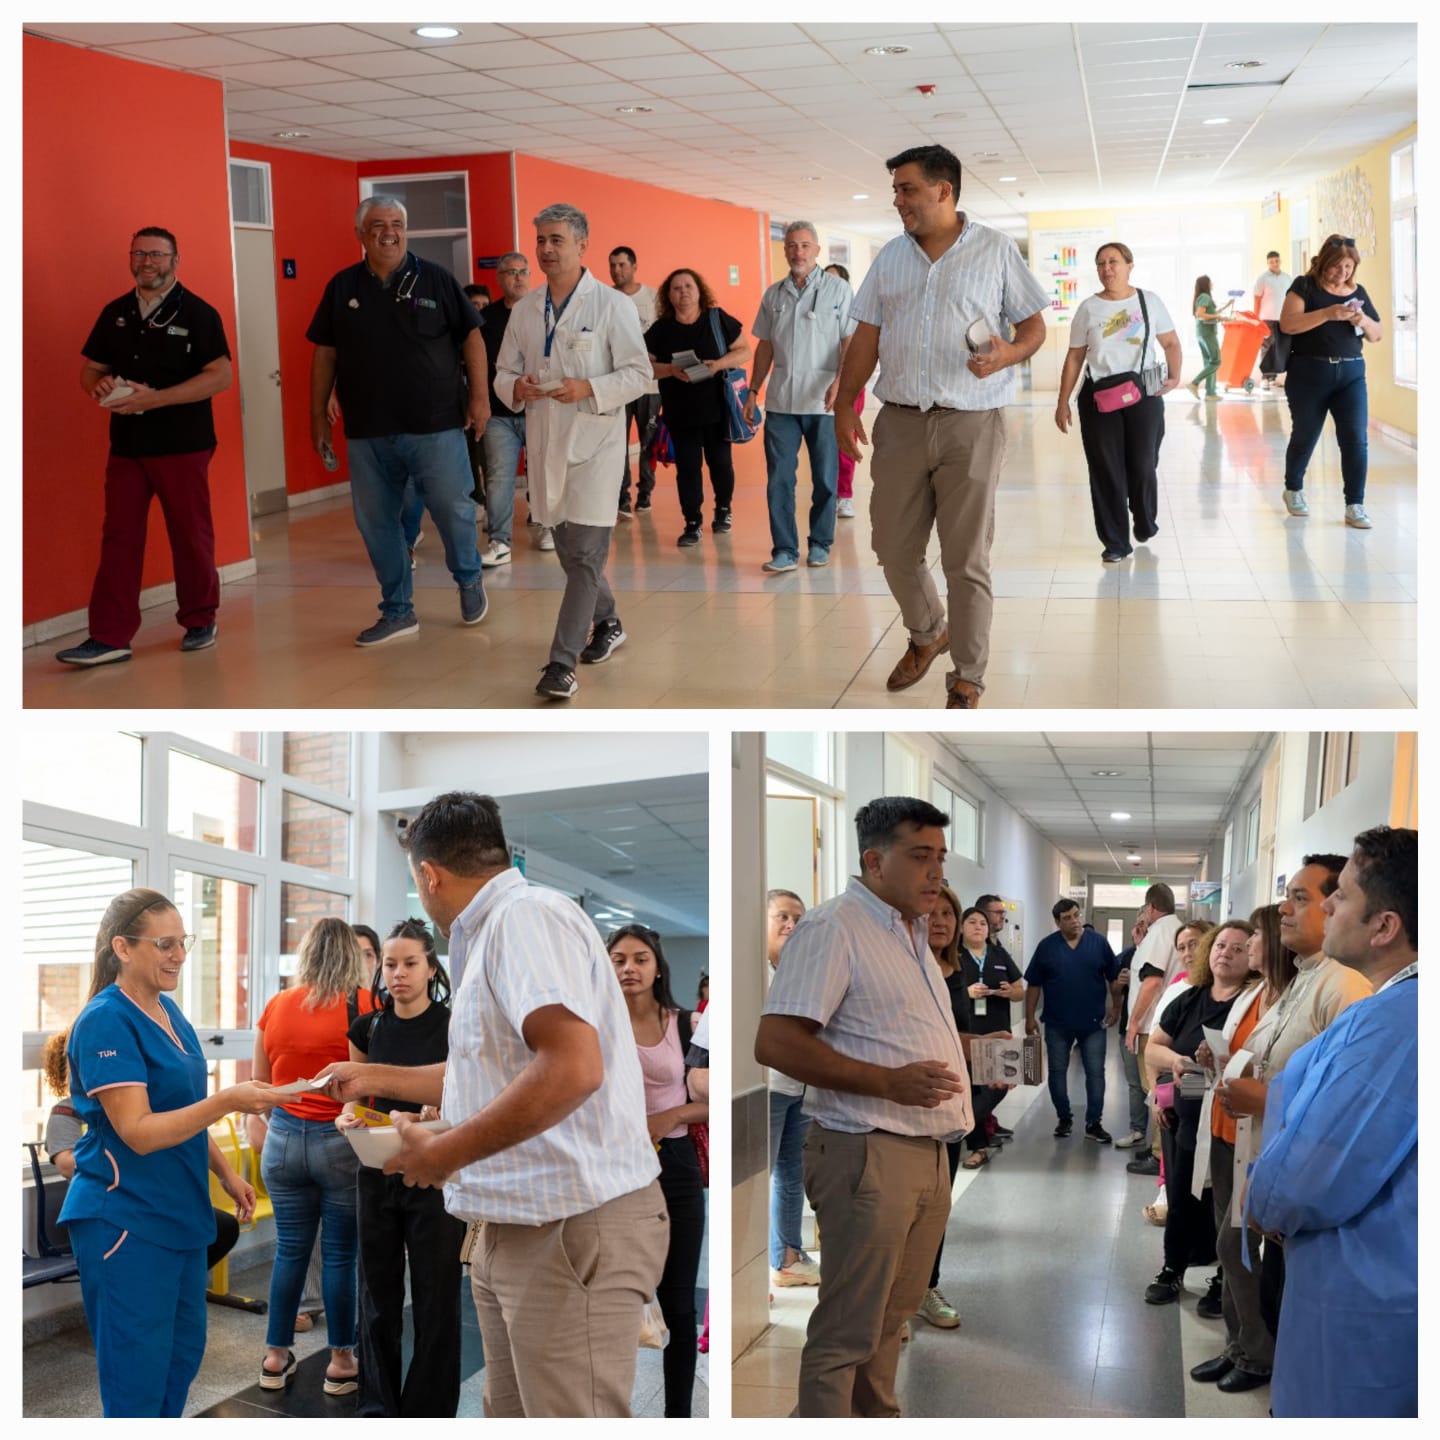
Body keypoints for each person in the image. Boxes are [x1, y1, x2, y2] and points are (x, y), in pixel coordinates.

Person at [318, 791, 667, 1418]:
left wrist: (444, 1152)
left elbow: (573, 1067)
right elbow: (483, 1073)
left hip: (568, 1225)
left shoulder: (524, 919)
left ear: (429, 875)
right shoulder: (490, 932)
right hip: (510, 1224)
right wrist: (371, 1076)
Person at [756, 797, 971, 1418]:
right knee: (847, 1331)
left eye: (941, 857)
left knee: (889, 1321)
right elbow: (776, 1042)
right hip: (868, 1150)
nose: (936, 873)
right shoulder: (835, 928)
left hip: (926, 1152)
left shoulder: (910, 934)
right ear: (875, 862)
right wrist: (886, 1083)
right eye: (920, 856)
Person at [835, 144, 1049, 709]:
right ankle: (929, 632)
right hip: (900, 423)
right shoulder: (890, 257)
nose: (898, 201)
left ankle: (968, 677)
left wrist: (1009, 353)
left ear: (943, 190)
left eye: (907, 189)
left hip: (971, 423)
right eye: (895, 191)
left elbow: (1033, 327)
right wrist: (845, 403)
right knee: (891, 546)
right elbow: (867, 335)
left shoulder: (995, 249)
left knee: (965, 560)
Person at [56, 888, 272, 1417]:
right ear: (123, 948)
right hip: (124, 1217)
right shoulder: (106, 1020)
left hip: (178, 1213)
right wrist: (229, 1101)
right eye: (165, 944)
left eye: (182, 942)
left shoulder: (168, 1012)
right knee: (137, 1379)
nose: (179, 955)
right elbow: (139, 1131)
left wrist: (225, 1172)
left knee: (180, 1358)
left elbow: (184, 1109)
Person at [1246, 826, 1417, 1418]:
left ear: (1384, 926)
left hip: (1367, 1298)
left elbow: (1311, 1174)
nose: (1325, 908)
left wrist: (1263, 1199)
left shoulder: (1394, 1024)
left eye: (1339, 895)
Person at [307, 196, 489, 647]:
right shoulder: (342, 286)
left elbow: (471, 337)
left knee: (452, 509)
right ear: (360, 234)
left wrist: (480, 398)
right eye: (377, 225)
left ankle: (468, 577)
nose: (388, 232)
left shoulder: (436, 279)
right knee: (376, 523)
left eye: (396, 224)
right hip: (368, 429)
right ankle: (397, 610)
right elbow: (325, 352)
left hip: (436, 424)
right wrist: (318, 415)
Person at [1210, 855, 1372, 1346]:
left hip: (1301, 1158)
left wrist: (1264, 1099)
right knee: (1242, 1253)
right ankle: (1247, 1348)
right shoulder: (1307, 976)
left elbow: (1347, 1101)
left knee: (1266, 1268)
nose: (1284, 909)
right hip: (1270, 1149)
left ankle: (1256, 1353)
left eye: (1300, 898)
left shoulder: (1346, 985)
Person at [494, 204, 652, 700]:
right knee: (570, 552)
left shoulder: (611, 305)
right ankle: (609, 620)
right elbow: (503, 371)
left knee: (583, 555)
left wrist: (589, 387)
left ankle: (561, 663)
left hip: (596, 444)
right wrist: (515, 387)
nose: (546, 249)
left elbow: (639, 374)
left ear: (582, 245)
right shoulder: (525, 309)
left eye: (556, 240)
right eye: (541, 239)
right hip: (546, 441)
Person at [58, 227, 233, 668]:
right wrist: (97, 385)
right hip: (127, 447)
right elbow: (90, 370)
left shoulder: (198, 313)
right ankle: (109, 636)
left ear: (175, 260)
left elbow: (220, 376)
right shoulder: (115, 312)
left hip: (182, 444)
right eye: (139, 254)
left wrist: (155, 399)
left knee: (189, 534)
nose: (147, 262)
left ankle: (200, 620)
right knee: (119, 538)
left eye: (156, 254)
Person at [338, 919, 465, 1417]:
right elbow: (357, 1097)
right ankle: (377, 1408)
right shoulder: (368, 1027)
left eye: (410, 963)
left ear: (431, 968)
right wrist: (347, 1117)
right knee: (376, 1297)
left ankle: (429, 1412)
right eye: (390, 964)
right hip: (377, 1171)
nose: (398, 973)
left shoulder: (454, 1027)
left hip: (435, 1173)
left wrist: (433, 1115)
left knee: (436, 1299)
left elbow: (466, 1100)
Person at [254, 917, 373, 1396]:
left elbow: (262, 1085)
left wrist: (276, 1122)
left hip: (282, 1139)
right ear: (351, 955)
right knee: (341, 1255)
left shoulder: (277, 1004)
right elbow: (372, 1082)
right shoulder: (364, 1004)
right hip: (338, 1140)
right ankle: (341, 1361)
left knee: (290, 1250)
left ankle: (274, 1357)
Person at [1188, 904, 1297, 1394]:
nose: (1246, 945)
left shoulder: (1294, 996)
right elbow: (1239, 1054)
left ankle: (1256, 1352)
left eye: (1253, 938)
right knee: (1230, 1249)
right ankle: (1237, 1345)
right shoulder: (1256, 993)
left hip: (1258, 1137)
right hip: (1224, 1128)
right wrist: (1213, 1055)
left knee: (1236, 1248)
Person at [42, 1028, 242, 1287]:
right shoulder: (66, 1112)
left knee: (218, 1228)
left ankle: (172, 1283)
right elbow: (67, 1165)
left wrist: (227, 1175)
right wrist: (126, 1147)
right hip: (112, 1206)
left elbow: (192, 1133)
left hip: (156, 1196)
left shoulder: (141, 1100)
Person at [608, 925, 708, 1417]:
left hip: (675, 1162)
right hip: (615, 1167)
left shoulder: (686, 1024)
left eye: (640, 959)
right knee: (615, 1299)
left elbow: (710, 1099)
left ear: (657, 967)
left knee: (679, 1301)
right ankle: (611, 1409)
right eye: (619, 959)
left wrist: (669, 1117)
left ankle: (679, 1416)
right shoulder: (594, 1026)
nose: (629, 968)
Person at [1141, 922, 1256, 1308]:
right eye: (1220, 945)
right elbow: (1153, 1048)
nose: (1226, 953)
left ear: (1253, 956)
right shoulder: (1190, 998)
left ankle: (1223, 1277)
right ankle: (1172, 1268)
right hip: (1188, 1107)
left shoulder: (1254, 1003)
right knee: (1181, 1193)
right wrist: (1177, 1061)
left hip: (1230, 1113)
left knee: (1223, 1198)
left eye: (1238, 948)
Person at [1055, 243, 1183, 563]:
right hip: (1099, 397)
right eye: (1100, 263)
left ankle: (1144, 516)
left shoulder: (1149, 301)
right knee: (1106, 470)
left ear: (1129, 266)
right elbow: (1075, 357)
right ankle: (1115, 543)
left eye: (1113, 262)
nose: (1106, 269)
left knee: (1143, 464)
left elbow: (1170, 342)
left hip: (1143, 393)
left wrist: (1175, 376)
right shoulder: (1088, 308)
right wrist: (1062, 401)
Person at [748, 221, 853, 572]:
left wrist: (840, 382)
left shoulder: (838, 290)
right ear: (785, 251)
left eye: (805, 245)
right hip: (781, 402)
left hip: (823, 400)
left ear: (817, 250)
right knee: (779, 479)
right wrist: (753, 390)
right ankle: (785, 550)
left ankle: (820, 543)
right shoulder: (773, 295)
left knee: (824, 478)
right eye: (792, 245)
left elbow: (849, 341)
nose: (798, 252)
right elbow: (765, 345)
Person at [1278, 234, 1383, 528]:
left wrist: (1363, 320)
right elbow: (1288, 324)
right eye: (1337, 266)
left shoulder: (1358, 291)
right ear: (1324, 262)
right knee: (1305, 435)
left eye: (1348, 267)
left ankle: (1355, 505)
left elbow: (1377, 334)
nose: (1342, 273)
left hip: (1351, 376)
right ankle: (1293, 489)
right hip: (1308, 374)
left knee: (1356, 440)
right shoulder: (1304, 286)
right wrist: (1327, 313)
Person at [645, 268, 751, 548]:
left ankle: (723, 509)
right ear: (668, 295)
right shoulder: (661, 329)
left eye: (688, 286)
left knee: (721, 464)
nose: (683, 292)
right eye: (676, 288)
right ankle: (692, 522)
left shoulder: (716, 319)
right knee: (688, 469)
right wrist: (670, 369)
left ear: (699, 290)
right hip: (680, 410)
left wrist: (718, 365)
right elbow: (644, 367)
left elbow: (745, 350)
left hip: (718, 408)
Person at [1024, 899, 1123, 1142]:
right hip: (1057, 1023)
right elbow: (1034, 984)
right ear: (1057, 923)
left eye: (1076, 915)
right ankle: (1064, 1118)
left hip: (1093, 1023)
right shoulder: (1047, 947)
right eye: (1067, 918)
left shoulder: (1098, 943)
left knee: (1095, 1073)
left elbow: (1113, 977)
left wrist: (1116, 1007)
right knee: (1057, 1072)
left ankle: (1094, 1123)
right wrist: (1029, 1017)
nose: (1074, 921)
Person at [764, 889, 819, 1288]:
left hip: (800, 1088)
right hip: (766, 1089)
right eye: (782, 916)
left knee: (791, 1176)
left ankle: (787, 1257)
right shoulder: (750, 973)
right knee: (756, 1179)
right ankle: (746, 1276)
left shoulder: (805, 972)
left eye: (799, 919)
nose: (791, 925)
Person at [477, 253, 536, 565]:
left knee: (542, 474)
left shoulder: (543, 311)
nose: (518, 277)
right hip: (499, 413)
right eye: (511, 272)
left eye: (523, 271)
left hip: (539, 410)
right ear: (499, 278)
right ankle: (499, 541)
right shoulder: (486, 319)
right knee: (499, 476)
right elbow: (478, 365)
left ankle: (544, 526)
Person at [1119, 884, 1185, 1156]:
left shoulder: (1159, 932)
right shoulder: (1173, 929)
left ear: (1150, 908)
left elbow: (1152, 981)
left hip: (1152, 1026)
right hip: (1166, 1022)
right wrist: (1140, 945)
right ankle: (1159, 1150)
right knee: (1159, 1087)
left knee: (1155, 1088)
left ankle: (1160, 1154)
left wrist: (1134, 1023)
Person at [608, 246, 660, 518]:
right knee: (617, 443)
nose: (617, 271)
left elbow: (664, 337)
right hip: (617, 385)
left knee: (648, 442)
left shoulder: (653, 298)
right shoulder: (604, 298)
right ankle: (621, 498)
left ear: (634, 266)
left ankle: (645, 493)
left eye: (622, 265)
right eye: (613, 265)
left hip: (649, 386)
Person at [824, 263, 862, 519]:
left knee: (845, 439)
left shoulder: (857, 310)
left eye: (834, 280)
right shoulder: (816, 308)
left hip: (850, 383)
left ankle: (844, 495)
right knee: (823, 442)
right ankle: (828, 493)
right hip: (820, 382)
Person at [1252, 251, 1292, 389]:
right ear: (1267, 263)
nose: (1274, 264)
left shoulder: (1287, 278)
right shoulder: (1262, 278)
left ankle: (1273, 378)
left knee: (1280, 348)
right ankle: (1265, 377)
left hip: (1283, 319)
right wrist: (1256, 318)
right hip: (1266, 318)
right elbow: (1257, 299)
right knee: (1267, 347)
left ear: (1280, 261)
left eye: (1276, 261)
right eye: (1271, 262)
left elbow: (1291, 298)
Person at [1187, 276, 1230, 399]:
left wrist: (1226, 306)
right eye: (1211, 282)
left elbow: (1210, 314)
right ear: (1206, 284)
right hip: (1207, 333)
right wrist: (1219, 317)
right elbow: (1200, 314)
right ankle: (1194, 383)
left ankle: (1210, 393)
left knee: (1209, 363)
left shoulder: (1201, 297)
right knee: (1216, 361)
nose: (1212, 283)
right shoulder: (1205, 296)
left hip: (1201, 333)